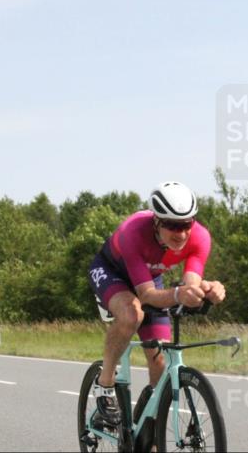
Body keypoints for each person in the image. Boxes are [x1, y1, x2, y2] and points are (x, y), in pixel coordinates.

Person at [87, 182, 226, 430]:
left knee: (160, 362)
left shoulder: (200, 237)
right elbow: (147, 295)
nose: (181, 233)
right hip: (112, 272)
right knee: (132, 315)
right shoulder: (134, 231)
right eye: (172, 225)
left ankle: (150, 440)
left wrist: (207, 291)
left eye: (186, 224)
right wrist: (178, 294)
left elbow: (189, 284)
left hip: (149, 277)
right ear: (156, 221)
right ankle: (105, 383)